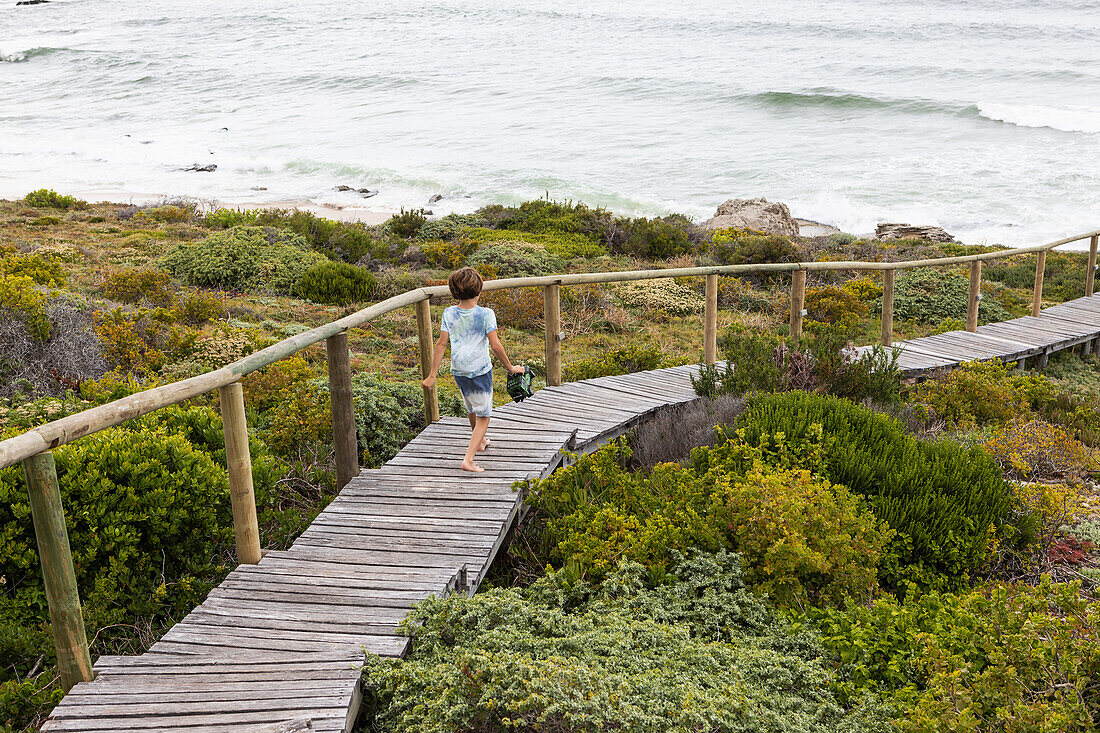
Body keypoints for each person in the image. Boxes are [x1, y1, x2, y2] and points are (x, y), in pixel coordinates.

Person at [421, 267, 525, 472]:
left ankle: (480, 441)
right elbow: (495, 345)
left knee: (471, 406)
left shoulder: (449, 312)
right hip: (479, 369)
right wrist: (511, 367)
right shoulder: (486, 314)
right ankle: (468, 459)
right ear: (479, 290)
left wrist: (432, 375)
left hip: (458, 368)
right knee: (484, 415)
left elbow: (441, 344)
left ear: (454, 292)